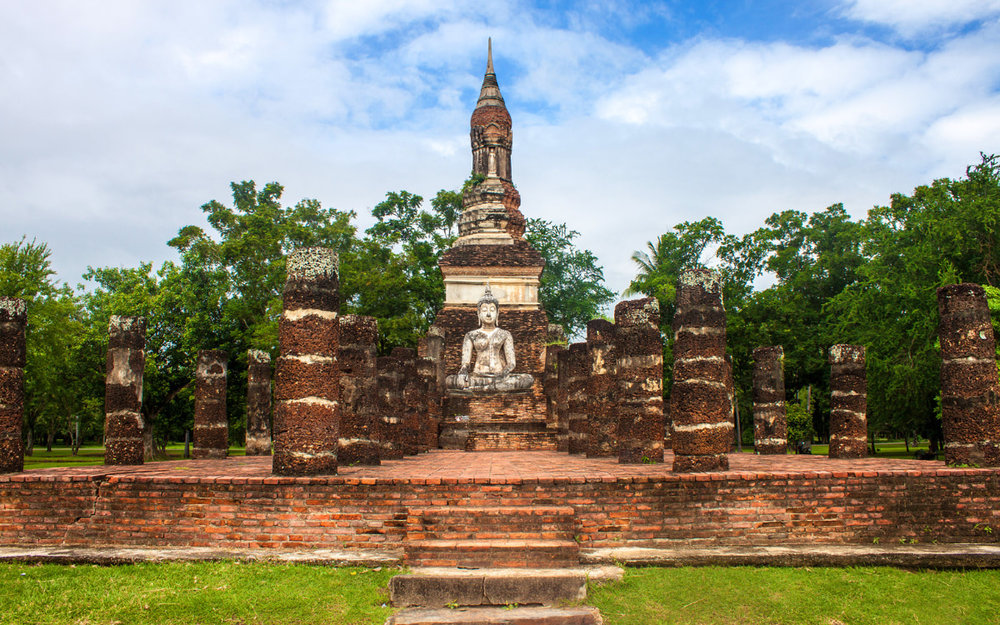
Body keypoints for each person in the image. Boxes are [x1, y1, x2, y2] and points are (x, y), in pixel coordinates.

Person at [446, 286, 534, 392]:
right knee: (450, 380)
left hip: (500, 377)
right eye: (484, 310)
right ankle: (487, 387)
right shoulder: (471, 335)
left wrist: (502, 374)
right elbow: (465, 363)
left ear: (497, 313)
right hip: (478, 377)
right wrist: (463, 373)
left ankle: (479, 388)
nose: (488, 314)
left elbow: (511, 363)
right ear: (478, 313)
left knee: (528, 379)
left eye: (492, 310)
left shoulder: (505, 334)